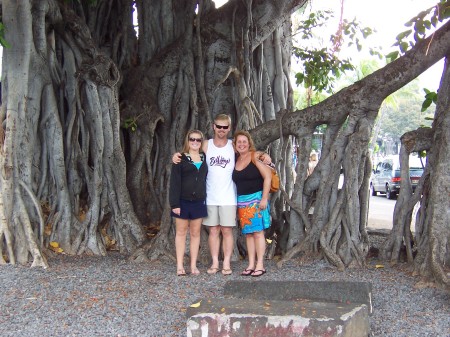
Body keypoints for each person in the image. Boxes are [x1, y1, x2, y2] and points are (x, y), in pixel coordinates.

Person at [172, 114, 271, 276]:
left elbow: (248, 150)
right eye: (219, 126)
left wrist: (263, 154)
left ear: (229, 128)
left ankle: (226, 263)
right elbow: (191, 148)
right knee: (213, 231)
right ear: (213, 126)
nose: (222, 130)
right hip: (210, 196)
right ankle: (215, 262)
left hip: (229, 197)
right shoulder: (206, 144)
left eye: (225, 127)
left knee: (227, 231)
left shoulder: (233, 145)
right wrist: (177, 155)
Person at [232, 130, 272, 277]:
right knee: (248, 234)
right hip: (242, 202)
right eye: (239, 142)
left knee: (258, 233)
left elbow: (267, 177)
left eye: (244, 141)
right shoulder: (236, 159)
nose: (242, 144)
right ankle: (250, 264)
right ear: (235, 145)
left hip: (256, 199)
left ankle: (260, 264)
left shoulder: (255, 156)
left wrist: (264, 199)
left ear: (249, 143)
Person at [169, 130, 208, 276]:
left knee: (195, 233)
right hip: (182, 201)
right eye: (192, 139)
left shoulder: (204, 157)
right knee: (181, 232)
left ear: (201, 142)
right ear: (188, 140)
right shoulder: (180, 158)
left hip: (198, 201)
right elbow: (174, 183)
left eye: (198, 140)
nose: (195, 142)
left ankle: (193, 265)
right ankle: (179, 265)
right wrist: (175, 204)